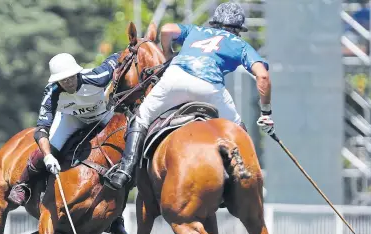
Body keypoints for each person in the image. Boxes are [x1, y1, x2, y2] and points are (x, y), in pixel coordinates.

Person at [106, 1, 275, 190]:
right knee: (238, 129)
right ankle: (244, 182)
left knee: (142, 117)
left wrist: (169, 55)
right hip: (209, 88)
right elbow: (263, 76)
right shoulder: (240, 44)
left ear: (214, 23)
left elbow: (167, 29)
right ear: (238, 29)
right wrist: (266, 112)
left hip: (174, 79)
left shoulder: (196, 31)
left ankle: (125, 170)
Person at [8, 52, 130, 234]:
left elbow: (116, 59)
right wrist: (48, 156)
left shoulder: (97, 77)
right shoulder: (52, 91)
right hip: (72, 120)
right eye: (63, 80)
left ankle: (116, 219)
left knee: (126, 160)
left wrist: (130, 50)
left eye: (70, 78)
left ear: (77, 74)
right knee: (47, 150)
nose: (68, 83)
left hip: (102, 118)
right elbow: (41, 129)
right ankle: (23, 185)